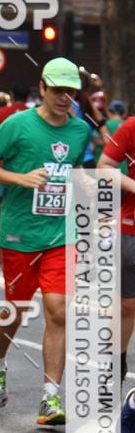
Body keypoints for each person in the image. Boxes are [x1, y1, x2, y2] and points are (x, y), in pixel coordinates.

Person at [0, 57, 89, 426]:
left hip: (61, 234)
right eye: (58, 90)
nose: (64, 97)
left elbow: (75, 173)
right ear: (42, 87)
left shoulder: (79, 131)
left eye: (70, 91)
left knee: (58, 309)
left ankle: (50, 399)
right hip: (18, 234)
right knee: (17, 308)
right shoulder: (17, 125)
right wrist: (18, 179)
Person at [98, 108, 135, 391]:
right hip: (130, 230)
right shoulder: (131, 127)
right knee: (126, 305)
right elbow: (105, 166)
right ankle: (116, 362)